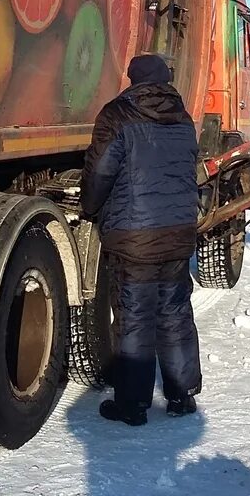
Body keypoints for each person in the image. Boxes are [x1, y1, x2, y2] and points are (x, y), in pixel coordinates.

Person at [80, 53, 202, 427]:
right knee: (176, 314)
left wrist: (90, 206)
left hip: (135, 238)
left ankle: (132, 405)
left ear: (132, 78)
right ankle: (182, 396)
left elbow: (100, 171)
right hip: (178, 232)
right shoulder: (183, 118)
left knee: (134, 319)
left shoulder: (117, 115)